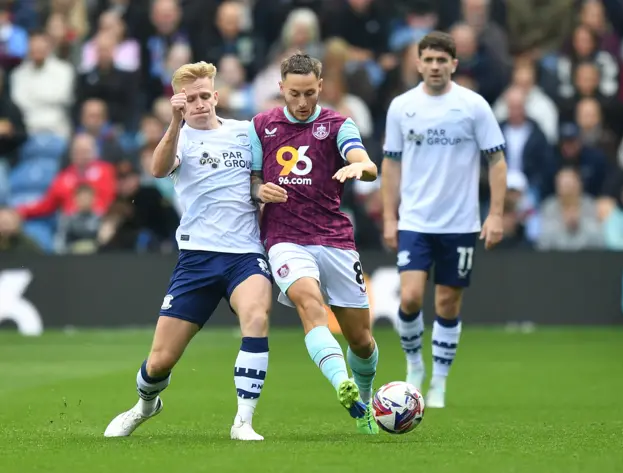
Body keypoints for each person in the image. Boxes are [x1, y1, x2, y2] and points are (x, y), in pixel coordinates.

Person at [104, 62, 273, 441]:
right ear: (180, 102)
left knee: (257, 317)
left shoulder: (244, 133)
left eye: (203, 96)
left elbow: (257, 180)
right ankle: (145, 405)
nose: (198, 104)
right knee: (160, 361)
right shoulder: (178, 138)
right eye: (190, 99)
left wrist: (260, 191)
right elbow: (158, 169)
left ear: (215, 96)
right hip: (197, 258)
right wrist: (174, 122)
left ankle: (243, 421)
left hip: (245, 254)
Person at [248, 53, 380, 434]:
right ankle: (341, 382)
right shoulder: (262, 126)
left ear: (320, 87)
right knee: (310, 304)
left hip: (335, 238)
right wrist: (260, 190)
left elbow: (366, 163)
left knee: (362, 341)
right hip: (286, 238)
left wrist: (362, 167)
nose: (303, 102)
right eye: (294, 94)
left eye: (309, 93)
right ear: (281, 89)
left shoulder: (338, 124)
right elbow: (252, 181)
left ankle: (365, 399)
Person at [381, 31, 507, 409]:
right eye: (429, 60)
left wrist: (496, 215)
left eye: (442, 60)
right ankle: (414, 365)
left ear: (454, 63)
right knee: (411, 296)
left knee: (448, 304)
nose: (435, 67)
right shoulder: (401, 107)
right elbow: (390, 163)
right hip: (416, 221)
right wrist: (390, 216)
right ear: (418, 63)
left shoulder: (473, 106)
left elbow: (497, 160)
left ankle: (440, 381)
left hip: (461, 223)